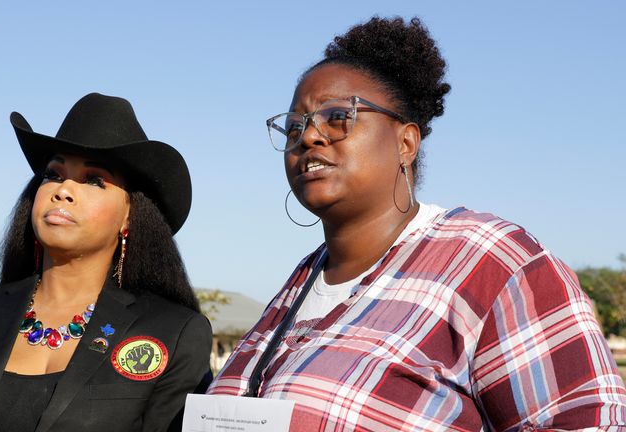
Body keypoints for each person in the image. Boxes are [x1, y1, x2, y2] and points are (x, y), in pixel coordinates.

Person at [207, 17, 626, 431]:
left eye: (338, 117)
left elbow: (588, 422)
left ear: (405, 142)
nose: (309, 137)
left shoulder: (489, 260)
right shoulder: (296, 287)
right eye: (295, 126)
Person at [0, 93, 213, 432]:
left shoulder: (175, 334)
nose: (63, 190)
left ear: (129, 217)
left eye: (94, 180)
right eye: (53, 174)